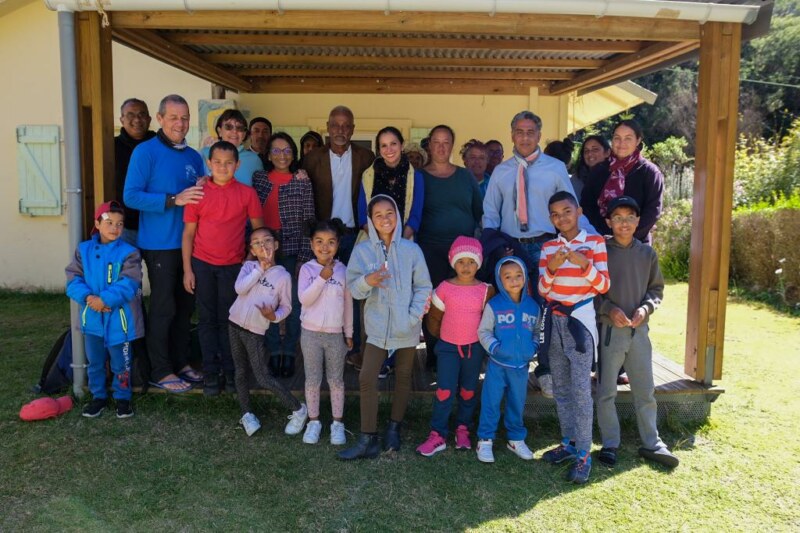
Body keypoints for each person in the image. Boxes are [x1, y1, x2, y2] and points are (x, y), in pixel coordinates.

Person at [482, 111, 587, 392]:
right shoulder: (501, 172)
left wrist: (588, 239)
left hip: (545, 244)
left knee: (546, 308)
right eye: (519, 131)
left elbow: (570, 207)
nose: (525, 137)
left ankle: (545, 369)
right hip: (510, 246)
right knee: (512, 306)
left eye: (530, 132)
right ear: (512, 134)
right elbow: (490, 213)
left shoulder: (554, 169)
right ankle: (506, 362)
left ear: (539, 135)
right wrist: (494, 247)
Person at [338, 195, 432, 460]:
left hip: (407, 326)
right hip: (377, 327)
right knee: (367, 377)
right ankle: (368, 438)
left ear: (397, 215)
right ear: (371, 220)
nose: (385, 219)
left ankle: (394, 428)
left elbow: (424, 286)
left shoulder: (411, 250)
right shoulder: (363, 251)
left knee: (403, 377)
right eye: (378, 215)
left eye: (389, 212)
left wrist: (413, 317)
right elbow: (354, 290)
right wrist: (368, 280)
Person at [123, 94, 205, 393]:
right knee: (163, 307)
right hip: (159, 244)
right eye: (173, 117)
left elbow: (200, 197)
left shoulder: (195, 157)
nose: (180, 123)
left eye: (184, 118)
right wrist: (174, 199)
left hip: (190, 244)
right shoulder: (146, 152)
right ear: (160, 119)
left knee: (185, 307)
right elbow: (131, 196)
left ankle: (180, 362)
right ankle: (160, 369)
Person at [594, 196, 679, 468]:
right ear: (608, 221)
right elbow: (590, 292)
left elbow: (656, 290)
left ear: (638, 221)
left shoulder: (647, 254)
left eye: (630, 217)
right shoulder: (601, 252)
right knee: (606, 390)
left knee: (645, 389)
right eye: (617, 218)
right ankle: (610, 443)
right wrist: (609, 309)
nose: (624, 223)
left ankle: (653, 442)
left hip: (639, 333)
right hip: (610, 332)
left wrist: (646, 309)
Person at [538, 191, 610, 484]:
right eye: (555, 214)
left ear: (579, 211)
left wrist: (583, 263)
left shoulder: (595, 243)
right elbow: (544, 289)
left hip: (579, 322)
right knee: (562, 386)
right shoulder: (548, 247)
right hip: (555, 322)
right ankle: (568, 442)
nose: (561, 218)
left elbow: (603, 285)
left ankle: (584, 453)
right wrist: (553, 267)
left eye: (567, 211)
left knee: (581, 390)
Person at [182, 141, 264, 396]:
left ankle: (231, 371)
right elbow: (188, 234)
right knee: (207, 320)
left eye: (229, 163)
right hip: (203, 265)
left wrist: (250, 258)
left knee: (230, 320)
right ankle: (210, 372)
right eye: (217, 162)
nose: (222, 167)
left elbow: (258, 231)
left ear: (237, 165)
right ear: (209, 163)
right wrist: (188, 270)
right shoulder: (198, 193)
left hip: (233, 266)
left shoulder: (247, 193)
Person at [302, 105, 375, 361]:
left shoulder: (367, 157)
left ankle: (353, 349)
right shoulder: (312, 159)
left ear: (353, 129)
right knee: (324, 290)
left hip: (356, 235)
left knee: (353, 292)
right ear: (328, 127)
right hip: (325, 238)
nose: (340, 130)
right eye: (335, 125)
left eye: (346, 126)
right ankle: (325, 347)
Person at [66, 201, 144, 418]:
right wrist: (89, 298)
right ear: (97, 224)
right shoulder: (83, 250)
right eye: (109, 222)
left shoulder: (130, 252)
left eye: (120, 224)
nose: (115, 228)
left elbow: (130, 283)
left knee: (122, 364)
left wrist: (105, 300)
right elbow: (73, 280)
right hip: (92, 319)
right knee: (95, 362)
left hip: (121, 320)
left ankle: (122, 398)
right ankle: (98, 397)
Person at [228, 227, 309, 437]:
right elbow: (240, 289)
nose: (262, 245)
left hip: (255, 331)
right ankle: (246, 413)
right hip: (234, 324)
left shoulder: (283, 276)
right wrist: (259, 269)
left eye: (267, 241)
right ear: (252, 250)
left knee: (262, 376)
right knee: (240, 371)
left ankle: (298, 409)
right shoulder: (249, 267)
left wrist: (274, 317)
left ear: (276, 245)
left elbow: (287, 307)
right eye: (256, 243)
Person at [416, 237, 494, 457]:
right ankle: (437, 434)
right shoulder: (444, 288)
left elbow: (489, 321)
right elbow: (433, 319)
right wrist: (445, 339)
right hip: (448, 349)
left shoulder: (485, 290)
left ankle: (463, 429)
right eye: (461, 261)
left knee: (468, 391)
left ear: (478, 263)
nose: (466, 266)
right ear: (453, 263)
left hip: (474, 349)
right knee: (444, 391)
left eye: (471, 261)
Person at [417, 124, 483, 367]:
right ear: (429, 145)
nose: (441, 147)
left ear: (452, 146)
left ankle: (460, 349)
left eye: (446, 142)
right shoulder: (419, 177)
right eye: (437, 142)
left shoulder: (465, 176)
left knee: (462, 302)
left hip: (463, 254)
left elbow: (479, 211)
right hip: (429, 249)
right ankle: (435, 354)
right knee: (434, 302)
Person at [252, 133, 315, 378]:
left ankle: (288, 353)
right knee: (266, 300)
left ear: (294, 154)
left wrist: (303, 256)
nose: (282, 155)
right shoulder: (259, 179)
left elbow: (308, 220)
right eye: (276, 151)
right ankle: (273, 351)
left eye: (287, 150)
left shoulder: (302, 181)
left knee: (293, 304)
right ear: (268, 155)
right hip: (264, 250)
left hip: (291, 248)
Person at [474, 256, 539, 463]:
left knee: (516, 403)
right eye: (508, 277)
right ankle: (485, 440)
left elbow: (537, 332)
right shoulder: (494, 305)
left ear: (526, 277)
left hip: (520, 367)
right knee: (490, 403)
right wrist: (495, 348)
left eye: (518, 275)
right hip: (497, 365)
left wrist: (533, 348)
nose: (514, 280)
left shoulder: (533, 307)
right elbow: (483, 331)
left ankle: (515, 439)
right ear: (499, 279)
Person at [298, 218, 353, 445]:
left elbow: (348, 305)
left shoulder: (343, 271)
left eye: (331, 242)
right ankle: (313, 421)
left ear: (338, 244)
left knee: (336, 380)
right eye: (319, 241)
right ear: (311, 244)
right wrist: (322, 278)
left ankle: (337, 423)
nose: (324, 247)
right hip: (310, 334)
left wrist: (348, 332)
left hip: (334, 335)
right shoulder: (307, 269)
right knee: (312, 380)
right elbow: (305, 299)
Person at [581, 119, 664, 244]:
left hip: (637, 244)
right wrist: (605, 235)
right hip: (602, 242)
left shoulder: (649, 172)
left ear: (638, 141)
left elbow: (653, 211)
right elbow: (588, 206)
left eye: (628, 138)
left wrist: (626, 238)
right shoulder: (599, 170)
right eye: (617, 138)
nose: (621, 143)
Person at [357, 126, 425, 241]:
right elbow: (363, 215)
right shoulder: (368, 175)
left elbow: (415, 216)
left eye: (393, 143)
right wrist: (378, 242)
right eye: (384, 145)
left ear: (402, 145)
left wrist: (399, 242)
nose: (389, 149)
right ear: (379, 149)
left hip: (404, 241)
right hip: (372, 241)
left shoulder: (415, 177)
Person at [114, 98, 155, 246]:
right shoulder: (111, 147)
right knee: (125, 269)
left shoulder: (160, 146)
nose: (137, 119)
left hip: (156, 224)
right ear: (122, 119)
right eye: (130, 115)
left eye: (142, 114)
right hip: (124, 226)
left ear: (149, 119)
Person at [201, 109, 264, 187]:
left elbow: (260, 191)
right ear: (219, 131)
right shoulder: (204, 153)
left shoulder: (254, 160)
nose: (234, 131)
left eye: (239, 128)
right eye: (228, 127)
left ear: (244, 134)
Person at [572, 135, 611, 202]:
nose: (590, 154)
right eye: (586, 151)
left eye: (595, 149)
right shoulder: (577, 178)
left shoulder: (616, 176)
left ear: (607, 152)